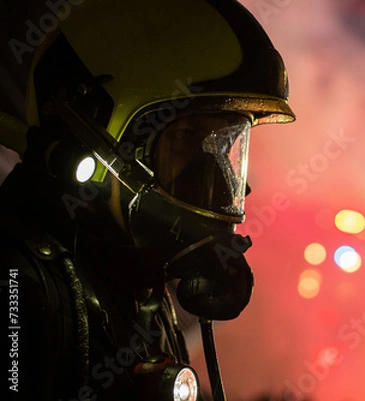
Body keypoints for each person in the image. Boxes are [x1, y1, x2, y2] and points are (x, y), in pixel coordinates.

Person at [0, 0, 295, 400]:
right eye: (187, 139)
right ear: (93, 135)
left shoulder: (138, 290)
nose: (220, 181)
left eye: (222, 144)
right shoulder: (16, 283)